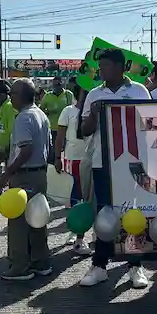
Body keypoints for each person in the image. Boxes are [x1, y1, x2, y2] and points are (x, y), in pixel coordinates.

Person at [78, 48, 152, 289]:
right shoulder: (93, 94)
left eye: (106, 66)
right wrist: (95, 115)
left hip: (132, 162)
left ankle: (135, 265)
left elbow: (151, 125)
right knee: (104, 213)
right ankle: (100, 265)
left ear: (121, 67)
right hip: (103, 162)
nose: (101, 71)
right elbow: (84, 130)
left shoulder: (139, 91)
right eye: (100, 67)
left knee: (132, 212)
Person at [0, 79, 53, 281]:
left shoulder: (23, 117)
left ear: (21, 96)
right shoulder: (40, 114)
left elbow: (26, 149)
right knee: (37, 219)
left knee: (18, 221)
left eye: (12, 94)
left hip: (24, 175)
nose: (10, 97)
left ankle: (20, 266)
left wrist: (7, 174)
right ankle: (40, 262)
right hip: (39, 174)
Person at [56, 87, 91, 255]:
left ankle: (91, 234)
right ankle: (76, 233)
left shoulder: (93, 112)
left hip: (92, 159)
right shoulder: (68, 111)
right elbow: (60, 136)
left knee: (91, 199)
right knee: (76, 198)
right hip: (73, 160)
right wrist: (57, 157)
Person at [40, 76, 75, 162]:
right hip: (52, 127)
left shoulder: (68, 94)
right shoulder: (48, 96)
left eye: (58, 84)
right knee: (53, 151)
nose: (57, 86)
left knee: (66, 149)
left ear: (62, 84)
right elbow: (41, 110)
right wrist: (47, 112)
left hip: (66, 127)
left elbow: (73, 107)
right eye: (55, 85)